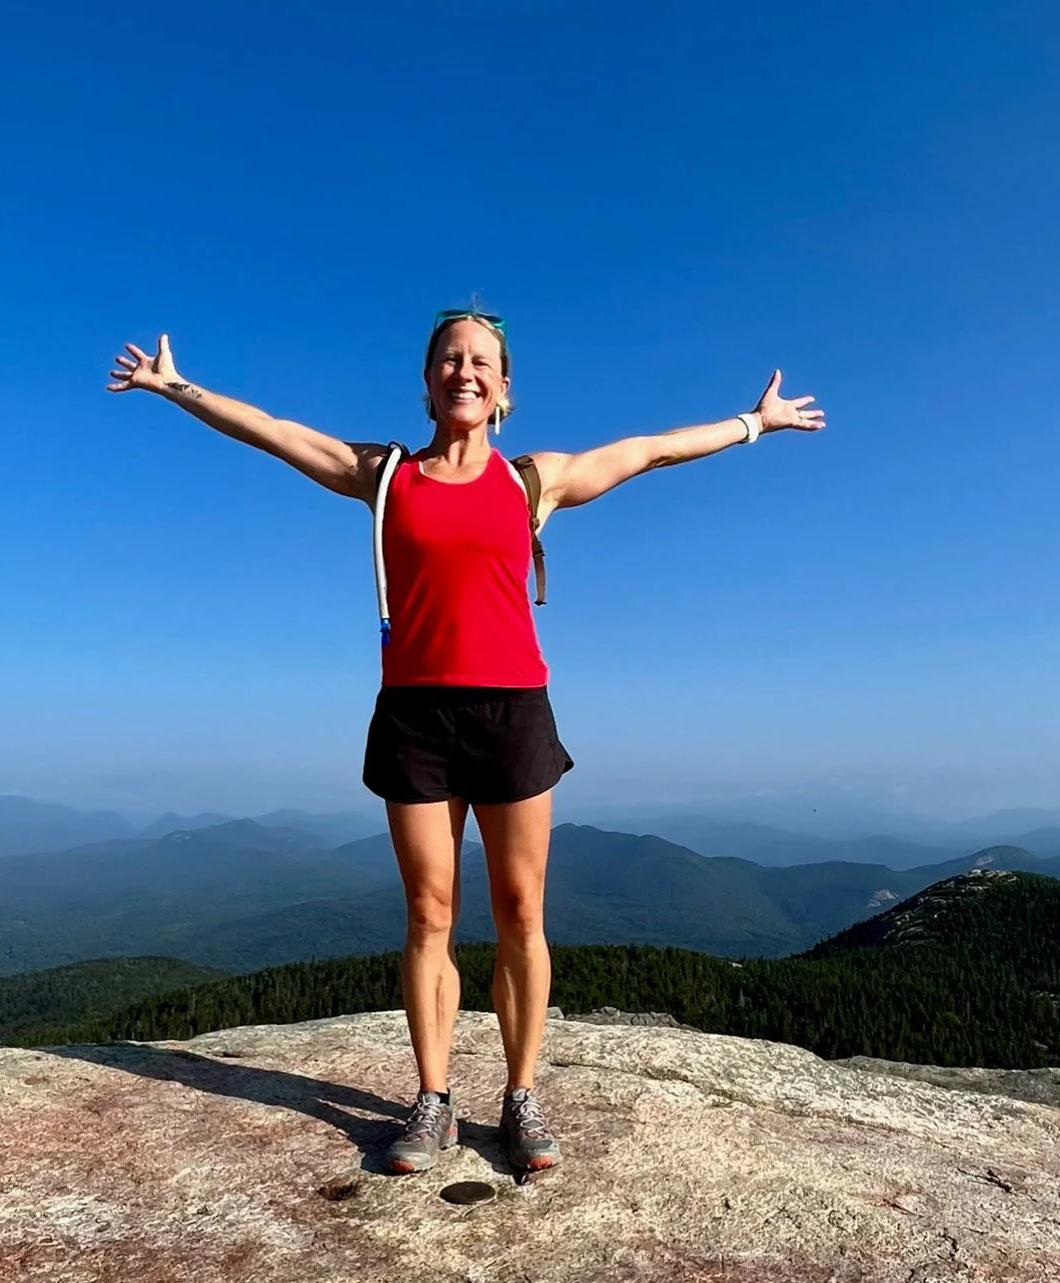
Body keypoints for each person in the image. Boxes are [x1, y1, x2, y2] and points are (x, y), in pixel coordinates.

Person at [106, 310, 824, 1175]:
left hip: (513, 713)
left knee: (522, 912)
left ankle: (520, 1097)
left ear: (504, 387)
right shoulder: (384, 476)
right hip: (414, 717)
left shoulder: (532, 482)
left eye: (482, 361)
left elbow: (650, 449)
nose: (465, 371)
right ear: (428, 379)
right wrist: (175, 386)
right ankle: (433, 1098)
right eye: (450, 358)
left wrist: (755, 422)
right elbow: (277, 434)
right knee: (427, 916)